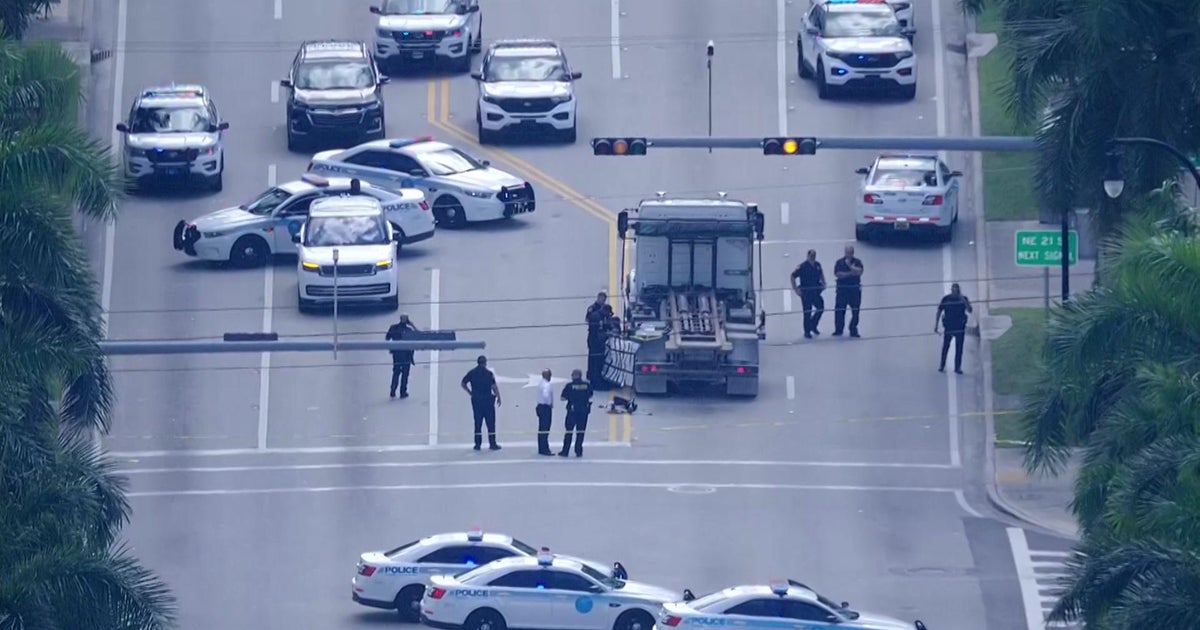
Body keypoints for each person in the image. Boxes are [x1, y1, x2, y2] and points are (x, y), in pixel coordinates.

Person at [460, 355, 502, 451]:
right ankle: (492, 443)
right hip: (487, 401)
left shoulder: (472, 373)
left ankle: (477, 444)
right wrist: (499, 397)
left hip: (477, 401)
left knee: (478, 423)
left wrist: (470, 392)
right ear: (485, 363)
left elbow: (463, 383)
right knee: (490, 423)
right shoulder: (488, 374)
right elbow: (494, 387)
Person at [935, 283, 973, 374]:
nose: (955, 292)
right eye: (953, 290)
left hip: (960, 327)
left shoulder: (963, 299)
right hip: (949, 326)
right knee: (945, 347)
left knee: (959, 348)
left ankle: (957, 367)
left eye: (956, 290)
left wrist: (964, 301)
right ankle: (942, 365)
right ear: (951, 291)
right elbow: (939, 311)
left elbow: (970, 310)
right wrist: (936, 325)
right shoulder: (946, 299)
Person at [790, 250, 826, 339]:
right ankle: (807, 331)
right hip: (806, 292)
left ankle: (813, 324)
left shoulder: (817, 265)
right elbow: (792, 276)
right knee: (807, 312)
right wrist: (796, 289)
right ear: (808, 256)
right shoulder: (802, 266)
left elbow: (821, 274)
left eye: (814, 255)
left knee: (820, 307)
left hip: (816, 290)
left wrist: (824, 283)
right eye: (811, 255)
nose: (813, 257)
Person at [559, 369, 593, 458]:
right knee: (580, 432)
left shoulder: (569, 386)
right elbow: (590, 395)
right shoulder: (587, 385)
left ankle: (565, 451)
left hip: (572, 411)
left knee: (569, 432)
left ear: (574, 376)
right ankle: (578, 451)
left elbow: (562, 398)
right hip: (583, 412)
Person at [832, 245, 865, 337]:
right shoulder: (839, 262)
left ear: (853, 253)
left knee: (855, 311)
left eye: (850, 252)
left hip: (854, 290)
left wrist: (850, 266)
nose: (848, 254)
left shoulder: (857, 262)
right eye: (847, 252)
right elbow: (838, 274)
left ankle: (853, 329)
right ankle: (838, 329)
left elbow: (860, 271)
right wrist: (851, 273)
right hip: (842, 290)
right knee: (839, 310)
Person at [386, 314, 419, 399]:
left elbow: (387, 338)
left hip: (396, 353)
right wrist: (412, 325)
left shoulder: (393, 328)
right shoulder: (409, 330)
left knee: (396, 372)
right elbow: (418, 335)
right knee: (405, 374)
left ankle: (393, 390)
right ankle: (402, 392)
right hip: (406, 354)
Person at [585, 292, 614, 384]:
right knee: (593, 357)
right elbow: (588, 320)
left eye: (604, 299)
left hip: (598, 338)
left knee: (597, 358)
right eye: (601, 299)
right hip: (595, 338)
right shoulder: (592, 309)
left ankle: (595, 375)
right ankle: (593, 375)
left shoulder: (604, 310)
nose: (603, 301)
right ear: (598, 298)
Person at [535, 369, 555, 456]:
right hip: (545, 408)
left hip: (540, 407)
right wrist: (549, 403)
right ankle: (545, 449)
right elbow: (546, 395)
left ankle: (541, 448)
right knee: (545, 428)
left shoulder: (541, 383)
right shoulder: (547, 385)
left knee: (541, 428)